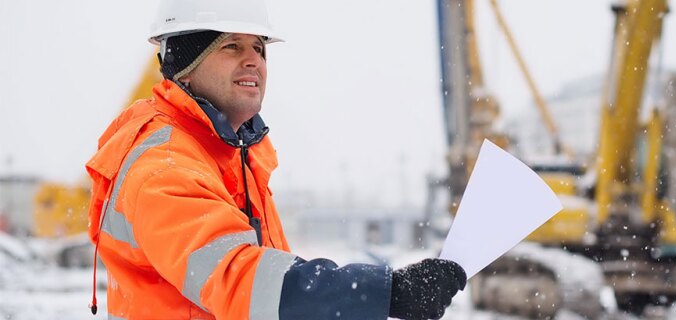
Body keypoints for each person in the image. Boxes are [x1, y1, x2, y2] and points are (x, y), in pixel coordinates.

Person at [85, 0, 466, 319]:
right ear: (185, 64)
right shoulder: (165, 166)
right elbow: (239, 278)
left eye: (259, 48)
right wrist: (387, 291)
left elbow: (267, 287)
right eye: (231, 46)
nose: (254, 60)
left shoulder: (230, 157)